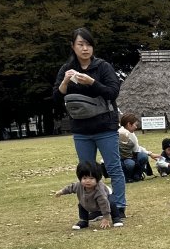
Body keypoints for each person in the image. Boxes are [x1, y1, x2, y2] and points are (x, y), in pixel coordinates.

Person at [53, 28, 127, 219]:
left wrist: (92, 82)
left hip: (105, 126)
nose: (85, 48)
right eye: (80, 44)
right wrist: (66, 82)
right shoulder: (66, 68)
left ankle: (118, 207)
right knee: (86, 171)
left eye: (88, 44)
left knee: (113, 168)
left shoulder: (102, 67)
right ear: (73, 46)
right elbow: (55, 97)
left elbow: (112, 92)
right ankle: (92, 209)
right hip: (81, 129)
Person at [53, 160, 123, 229]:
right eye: (84, 178)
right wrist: (61, 192)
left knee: (111, 203)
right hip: (88, 201)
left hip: (106, 197)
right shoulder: (79, 185)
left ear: (97, 179)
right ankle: (84, 221)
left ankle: (116, 218)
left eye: (91, 178)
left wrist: (106, 218)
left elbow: (104, 204)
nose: (87, 181)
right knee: (81, 204)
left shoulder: (100, 191)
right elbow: (70, 188)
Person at [118, 114, 159, 182]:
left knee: (143, 156)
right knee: (130, 163)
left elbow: (136, 148)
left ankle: (137, 175)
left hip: (129, 156)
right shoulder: (122, 133)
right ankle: (127, 177)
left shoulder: (130, 133)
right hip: (121, 159)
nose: (136, 127)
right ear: (129, 124)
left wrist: (150, 153)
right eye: (135, 125)